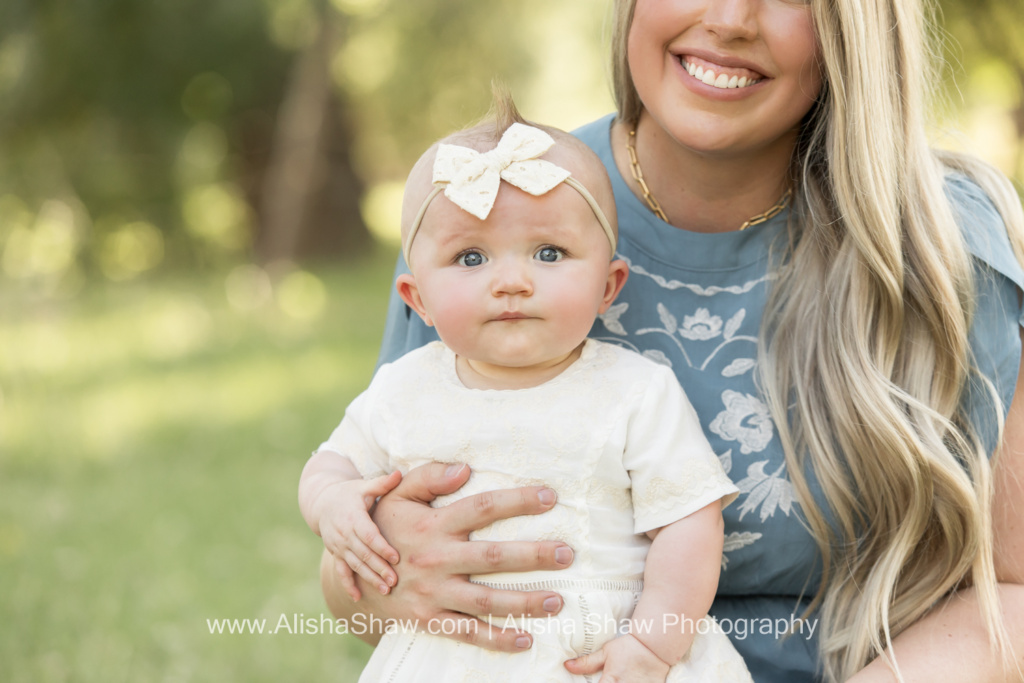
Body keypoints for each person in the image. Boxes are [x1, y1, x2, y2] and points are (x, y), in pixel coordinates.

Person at [318, 1, 1024, 681]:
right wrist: (385, 566)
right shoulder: (487, 212)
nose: (729, 18)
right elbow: (360, 588)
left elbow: (1015, 591)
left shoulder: (943, 246)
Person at [300, 101, 756, 682]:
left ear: (607, 285)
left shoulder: (633, 391)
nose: (512, 281)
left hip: (599, 650)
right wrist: (333, 503)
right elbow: (329, 465)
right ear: (418, 301)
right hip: (453, 655)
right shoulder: (404, 389)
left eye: (549, 253)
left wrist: (650, 645)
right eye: (471, 257)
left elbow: (689, 523)